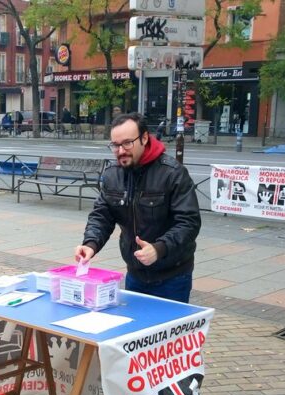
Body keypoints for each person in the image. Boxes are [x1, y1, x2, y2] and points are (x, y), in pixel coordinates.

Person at [75, 112, 201, 303]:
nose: (120, 151)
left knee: (167, 331)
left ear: (144, 138)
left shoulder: (173, 173)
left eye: (127, 143)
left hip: (172, 276)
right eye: (115, 145)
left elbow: (188, 223)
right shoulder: (113, 175)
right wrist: (90, 244)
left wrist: (159, 249)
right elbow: (102, 216)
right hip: (135, 274)